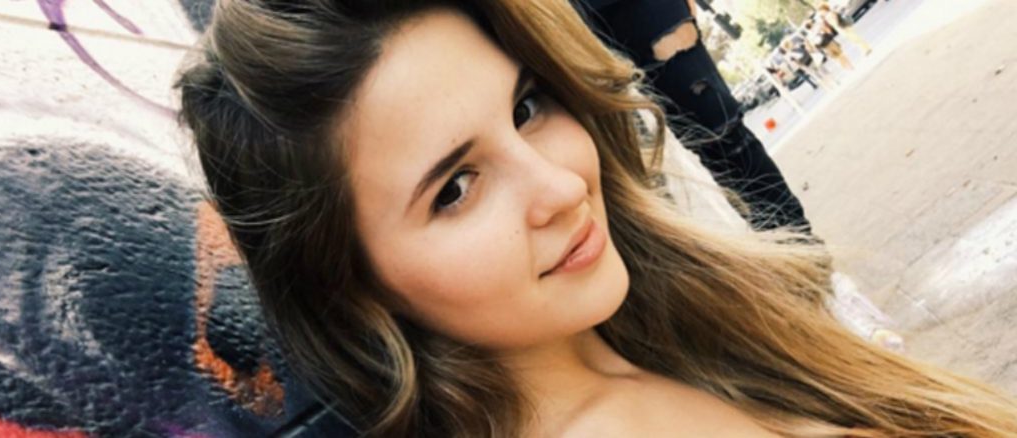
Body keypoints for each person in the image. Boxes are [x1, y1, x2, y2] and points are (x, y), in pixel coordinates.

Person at [176, 0, 1017, 436]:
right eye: (455, 189)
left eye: (528, 107)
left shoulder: (686, 318)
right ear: (353, 282)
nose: (559, 187)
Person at [579, 0, 812, 233]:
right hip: (567, 27)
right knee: (630, 183)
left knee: (721, 135)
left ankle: (797, 242)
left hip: (643, 11)